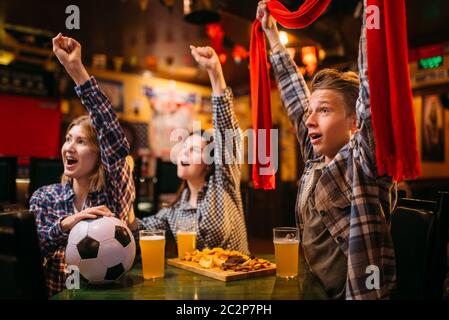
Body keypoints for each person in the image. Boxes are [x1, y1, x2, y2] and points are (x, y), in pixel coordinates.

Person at [256, 0, 396, 299]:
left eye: (324, 110)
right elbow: (295, 99)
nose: (309, 120)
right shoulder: (316, 160)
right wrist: (271, 34)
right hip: (313, 290)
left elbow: (372, 91)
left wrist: (374, 10)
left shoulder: (363, 164)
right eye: (312, 110)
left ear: (354, 119)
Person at [29, 33, 135, 296]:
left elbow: (113, 138)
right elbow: (31, 249)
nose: (69, 147)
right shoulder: (45, 197)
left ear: (100, 155)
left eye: (81, 142)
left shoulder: (113, 195)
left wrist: (75, 69)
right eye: (67, 139)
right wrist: (66, 224)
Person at [128, 46, 250, 255]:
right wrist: (124, 190)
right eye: (183, 148)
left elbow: (226, 130)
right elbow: (138, 229)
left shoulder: (223, 182)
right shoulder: (175, 210)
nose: (183, 153)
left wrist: (214, 72)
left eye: (193, 149)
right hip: (196, 287)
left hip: (239, 281)